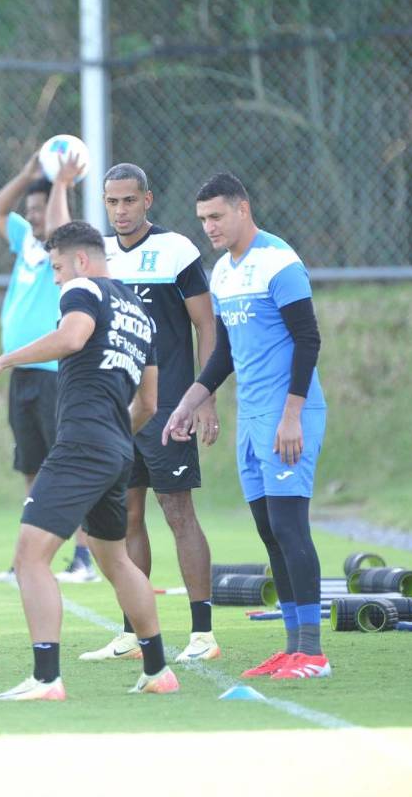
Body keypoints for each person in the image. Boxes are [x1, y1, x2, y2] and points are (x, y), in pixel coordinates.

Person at [0, 221, 178, 701]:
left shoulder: (83, 289)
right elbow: (147, 404)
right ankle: (157, 670)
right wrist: (112, 439)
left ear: (80, 261)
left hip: (83, 444)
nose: (57, 280)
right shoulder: (139, 312)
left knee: (29, 557)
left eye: (58, 268)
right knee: (116, 559)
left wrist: (3, 361)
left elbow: (71, 339)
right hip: (116, 446)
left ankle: (46, 680)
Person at [165, 173, 329, 680]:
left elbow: (308, 340)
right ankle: (291, 646)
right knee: (268, 531)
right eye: (202, 219)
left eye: (216, 216)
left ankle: (314, 654)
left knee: (288, 526)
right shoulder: (222, 273)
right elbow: (224, 356)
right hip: (253, 419)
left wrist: (291, 416)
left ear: (242, 209)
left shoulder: (279, 261)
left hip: (288, 418)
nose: (209, 227)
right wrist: (188, 403)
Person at [75, 163, 221, 664]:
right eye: (112, 202)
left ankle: (202, 633)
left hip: (171, 406)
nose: (120, 211)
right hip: (118, 409)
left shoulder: (177, 251)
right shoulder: (97, 256)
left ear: (148, 200)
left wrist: (204, 398)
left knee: (177, 511)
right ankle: (134, 633)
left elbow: (207, 327)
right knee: (125, 516)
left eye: (129, 201)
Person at [0, 151, 98, 584]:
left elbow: (57, 229)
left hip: (55, 373)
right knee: (32, 466)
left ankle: (84, 558)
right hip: (23, 375)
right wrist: (26, 175)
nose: (33, 217)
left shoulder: (61, 249)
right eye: (29, 210)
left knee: (66, 463)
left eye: (39, 209)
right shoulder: (24, 243)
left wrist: (61, 184)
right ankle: (28, 560)